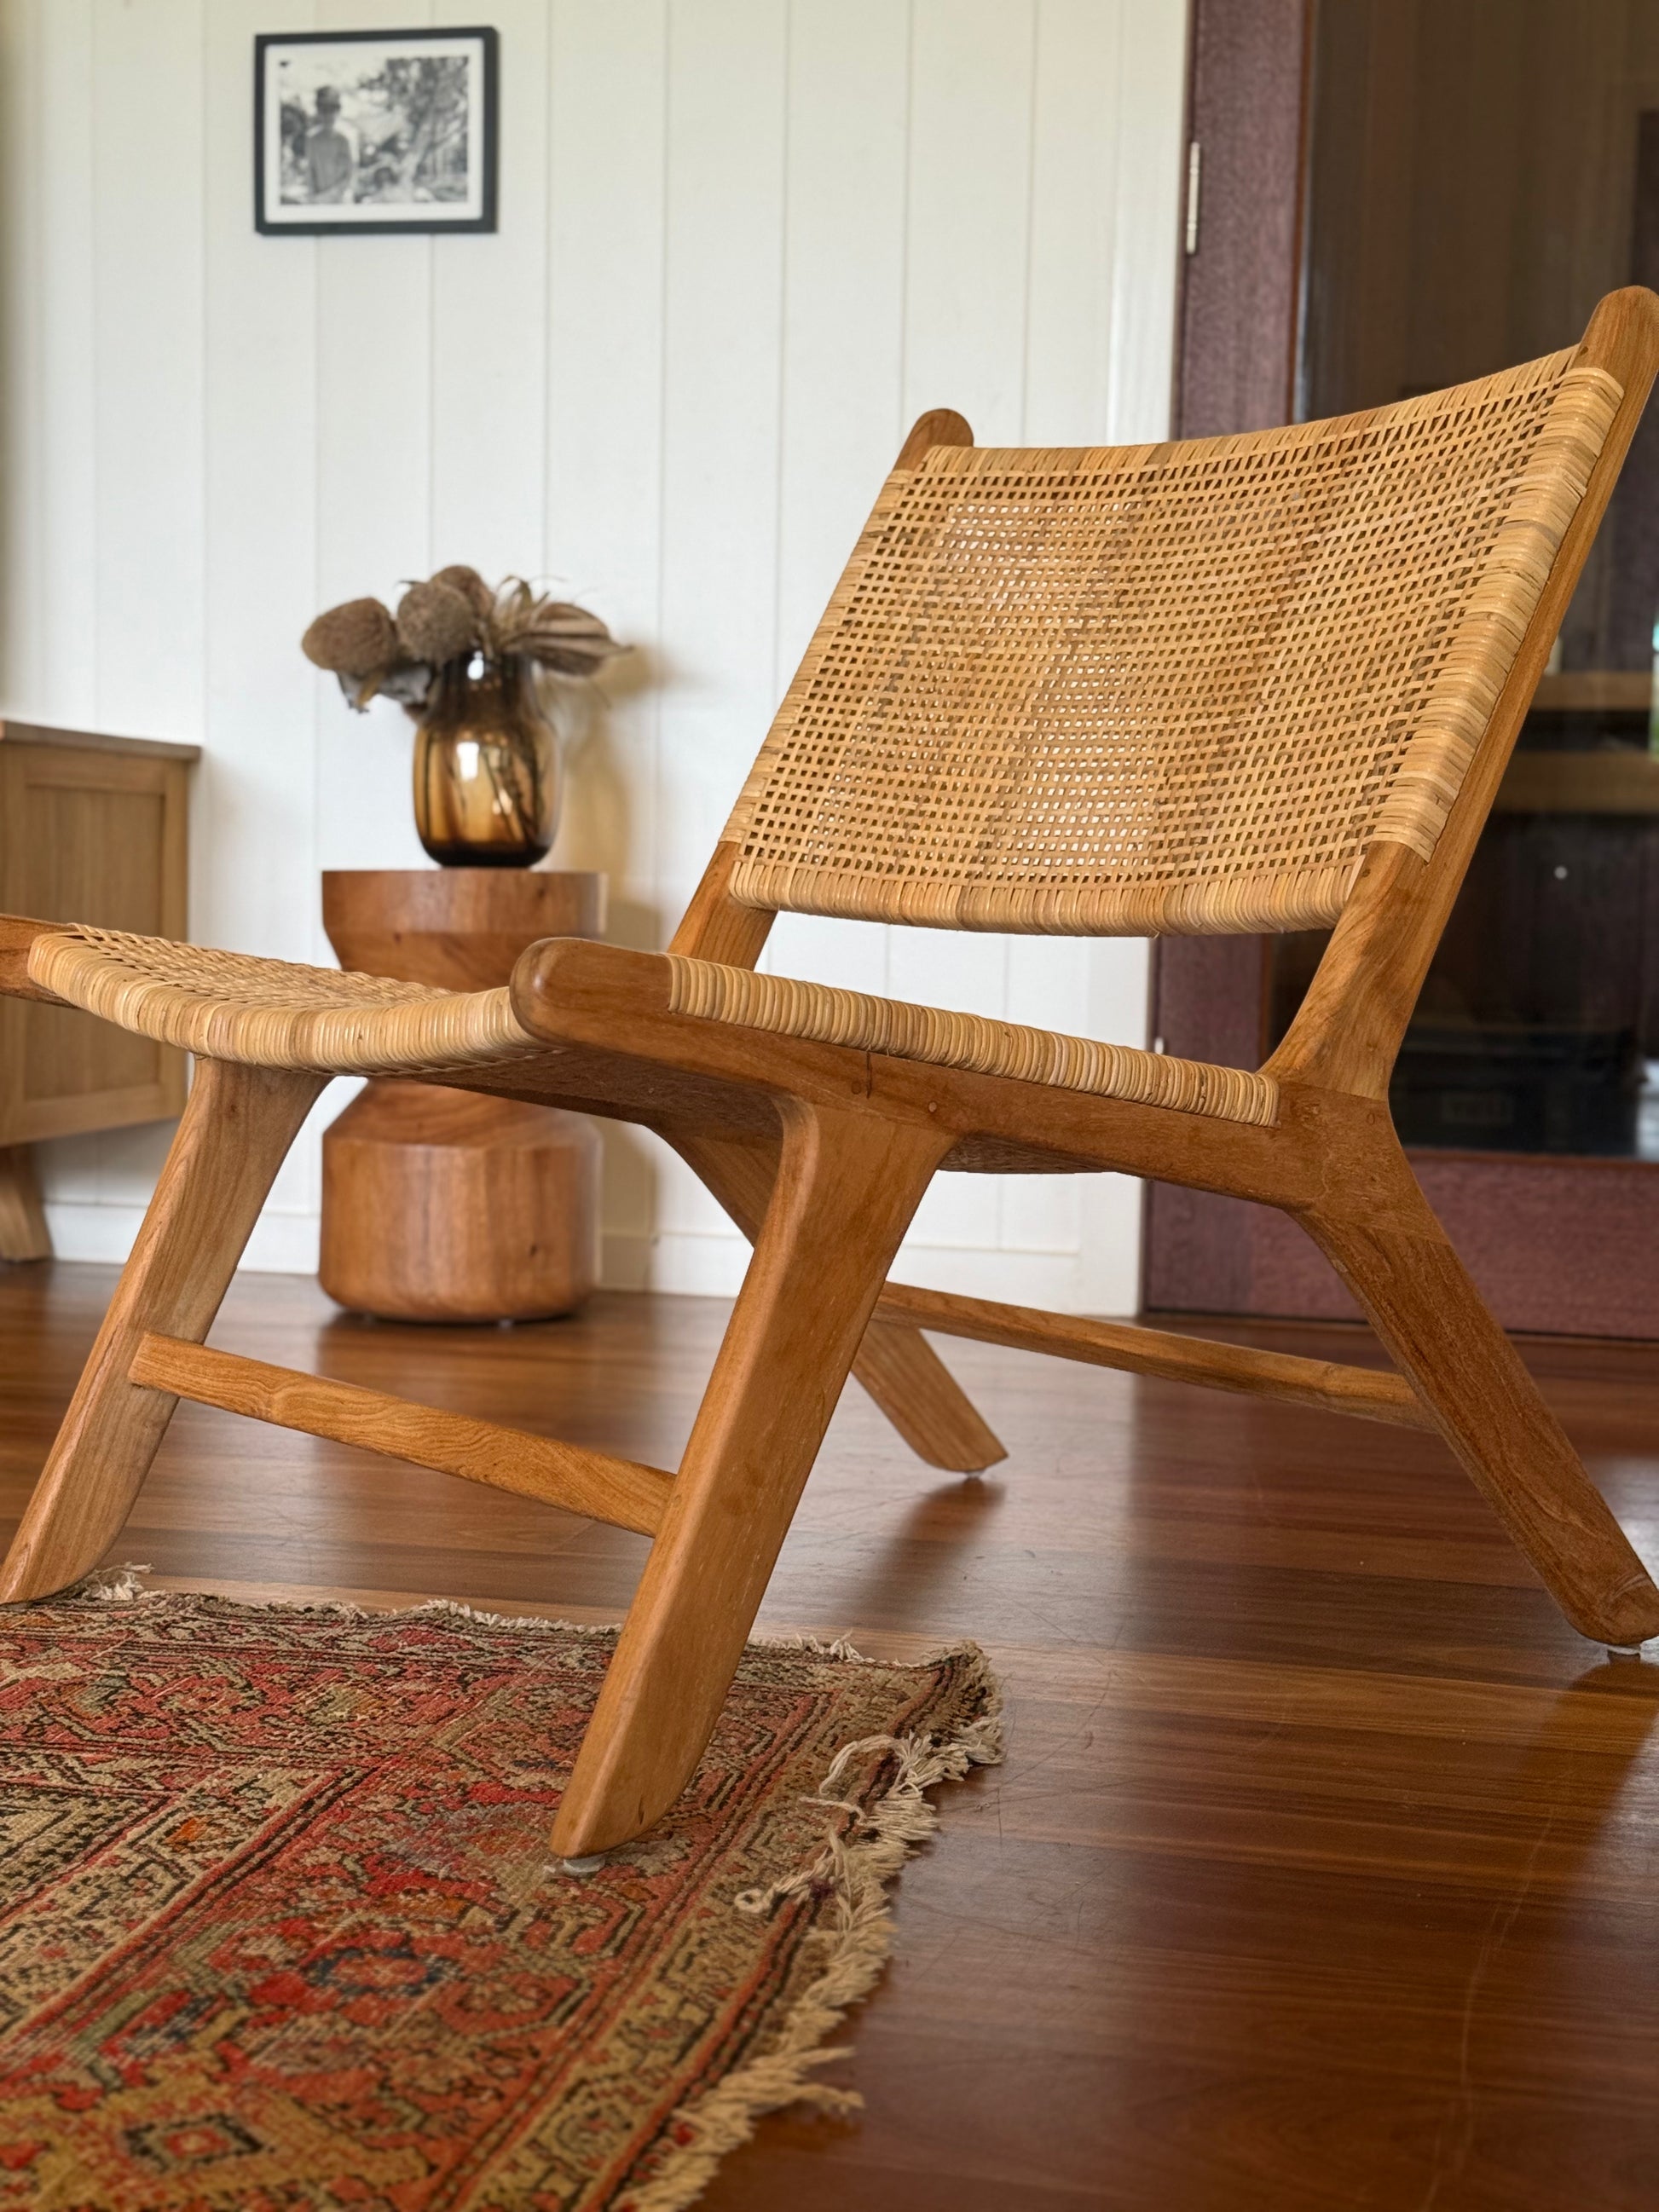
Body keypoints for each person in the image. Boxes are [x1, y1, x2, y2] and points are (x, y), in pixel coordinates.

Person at [305, 86, 356, 204]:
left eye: (332, 109)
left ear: (338, 110)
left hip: (341, 201)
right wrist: (313, 196)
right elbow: (310, 171)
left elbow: (351, 176)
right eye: (323, 110)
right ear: (318, 111)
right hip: (317, 200)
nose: (328, 115)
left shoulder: (347, 138)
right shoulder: (312, 138)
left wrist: (326, 196)